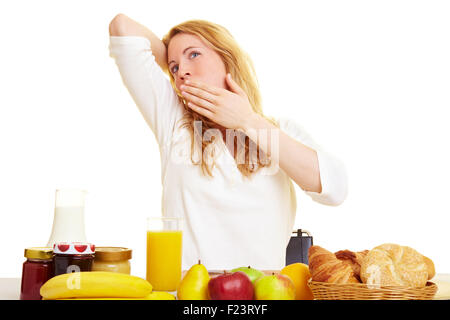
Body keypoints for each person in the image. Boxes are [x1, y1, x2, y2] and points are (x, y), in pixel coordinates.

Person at [108, 14, 348, 271]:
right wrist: (175, 57)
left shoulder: (279, 130)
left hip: (262, 298)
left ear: (227, 58)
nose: (181, 73)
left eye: (194, 55)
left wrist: (247, 120)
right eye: (174, 67)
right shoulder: (174, 124)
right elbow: (122, 27)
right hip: (189, 299)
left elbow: (335, 190)